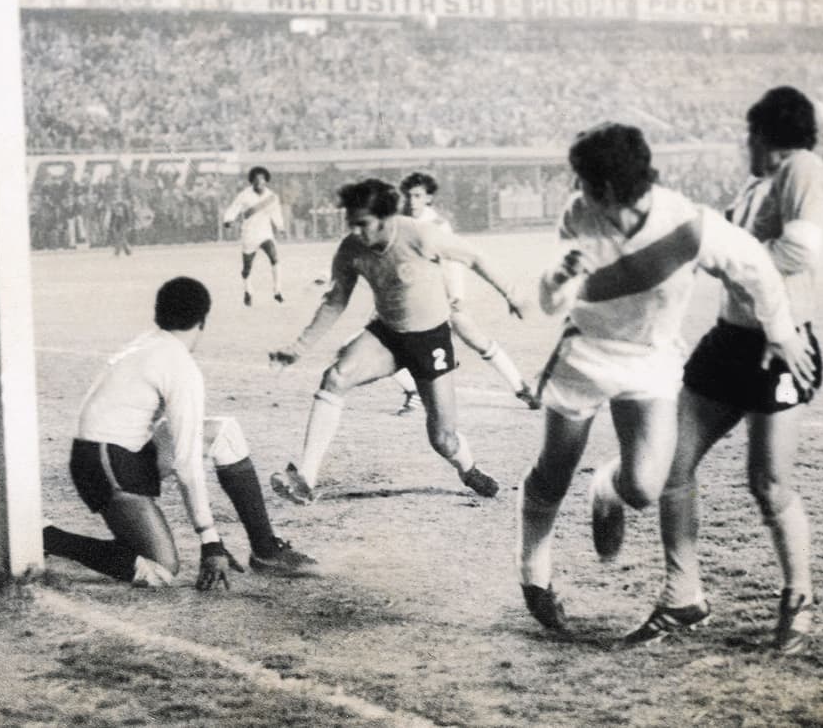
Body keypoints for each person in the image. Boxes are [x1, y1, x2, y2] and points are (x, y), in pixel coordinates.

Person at [514, 122, 815, 636]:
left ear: (606, 188)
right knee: (553, 473)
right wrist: (559, 276)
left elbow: (756, 268)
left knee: (644, 488)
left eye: (583, 182)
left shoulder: (688, 224)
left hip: (650, 363)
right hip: (585, 354)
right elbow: (548, 303)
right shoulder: (577, 215)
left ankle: (604, 490)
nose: (577, 192)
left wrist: (781, 331)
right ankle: (534, 578)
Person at [631, 86, 823, 655]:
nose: (746, 144)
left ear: (764, 134)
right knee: (673, 461)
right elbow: (717, 243)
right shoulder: (756, 183)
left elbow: (799, 254)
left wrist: (735, 257)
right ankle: (682, 595)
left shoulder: (804, 168)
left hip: (778, 344)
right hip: (729, 339)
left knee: (768, 485)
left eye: (750, 134)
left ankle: (799, 597)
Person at [43, 277, 315, 589]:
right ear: (203, 320)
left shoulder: (151, 342)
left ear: (158, 313)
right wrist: (209, 539)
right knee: (161, 567)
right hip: (103, 463)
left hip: (113, 451)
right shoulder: (179, 366)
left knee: (224, 432)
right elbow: (186, 462)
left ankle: (266, 550)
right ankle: (47, 536)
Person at [268, 178, 527, 505]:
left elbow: (474, 258)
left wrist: (511, 293)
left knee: (443, 440)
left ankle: (469, 469)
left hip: (431, 340)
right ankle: (305, 477)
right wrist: (298, 348)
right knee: (335, 377)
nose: (357, 232)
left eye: (363, 224)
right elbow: (335, 301)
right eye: (353, 224)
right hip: (387, 335)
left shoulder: (419, 235)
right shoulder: (351, 249)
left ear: (386, 217)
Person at [390, 172, 541, 415]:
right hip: (410, 299)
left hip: (439, 297)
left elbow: (455, 261)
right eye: (408, 196)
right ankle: (413, 389)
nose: (412, 201)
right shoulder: (399, 223)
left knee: (475, 339)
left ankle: (521, 387)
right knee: (385, 343)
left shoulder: (438, 226)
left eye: (417, 195)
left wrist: (456, 294)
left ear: (428, 198)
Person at [222, 166, 285, 306]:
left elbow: (276, 213)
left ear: (266, 180)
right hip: (249, 234)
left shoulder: (271, 197)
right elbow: (234, 208)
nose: (259, 182)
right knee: (247, 268)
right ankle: (248, 291)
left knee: (275, 258)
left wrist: (280, 227)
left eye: (262, 179)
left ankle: (277, 291)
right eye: (256, 179)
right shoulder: (244, 195)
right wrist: (228, 219)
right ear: (252, 181)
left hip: (265, 233)